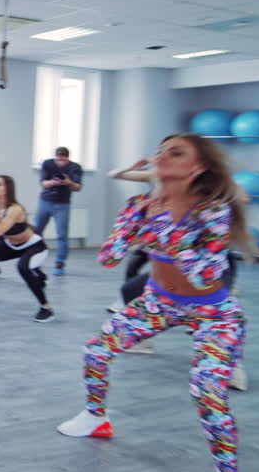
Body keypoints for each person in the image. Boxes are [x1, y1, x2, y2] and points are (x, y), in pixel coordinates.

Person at [57, 133, 253, 472]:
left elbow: (208, 274)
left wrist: (165, 230)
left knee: (207, 388)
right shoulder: (139, 204)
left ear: (198, 167)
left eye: (176, 152)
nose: (162, 156)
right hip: (158, 302)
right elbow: (109, 257)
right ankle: (97, 417)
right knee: (95, 350)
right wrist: (134, 221)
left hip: (214, 312)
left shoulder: (212, 210)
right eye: (161, 150)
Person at [105, 158, 249, 392]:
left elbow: (242, 197)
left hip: (208, 267)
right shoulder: (160, 180)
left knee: (202, 317)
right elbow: (115, 174)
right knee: (131, 289)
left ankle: (233, 367)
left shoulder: (208, 192)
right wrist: (134, 168)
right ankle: (144, 341)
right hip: (173, 264)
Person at [0, 176, 55, 322]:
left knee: (23, 268)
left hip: (34, 246)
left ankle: (46, 307)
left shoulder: (15, 209)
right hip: (12, 245)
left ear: (8, 189)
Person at [35, 146, 83, 275]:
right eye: (58, 159)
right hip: (45, 201)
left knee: (62, 235)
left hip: (62, 204)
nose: (60, 162)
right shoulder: (47, 164)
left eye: (63, 160)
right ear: (55, 157)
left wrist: (68, 182)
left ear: (68, 158)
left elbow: (78, 187)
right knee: (36, 232)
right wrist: (53, 182)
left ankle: (59, 264)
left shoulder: (75, 167)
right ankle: (35, 261)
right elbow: (43, 183)